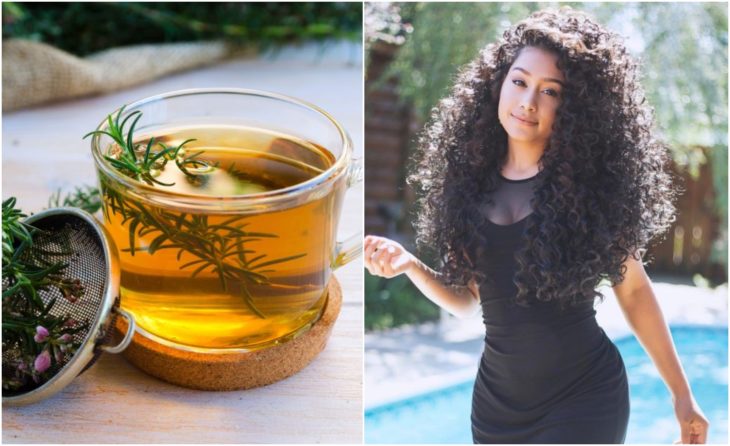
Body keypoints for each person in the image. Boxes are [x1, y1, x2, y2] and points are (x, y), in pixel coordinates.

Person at [364, 8, 709, 444]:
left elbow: (635, 291)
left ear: (573, 108)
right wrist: (410, 265)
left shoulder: (587, 191)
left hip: (584, 397)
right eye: (520, 81)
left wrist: (681, 394)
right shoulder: (468, 186)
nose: (528, 102)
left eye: (551, 91)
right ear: (498, 83)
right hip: (496, 406)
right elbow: (469, 301)